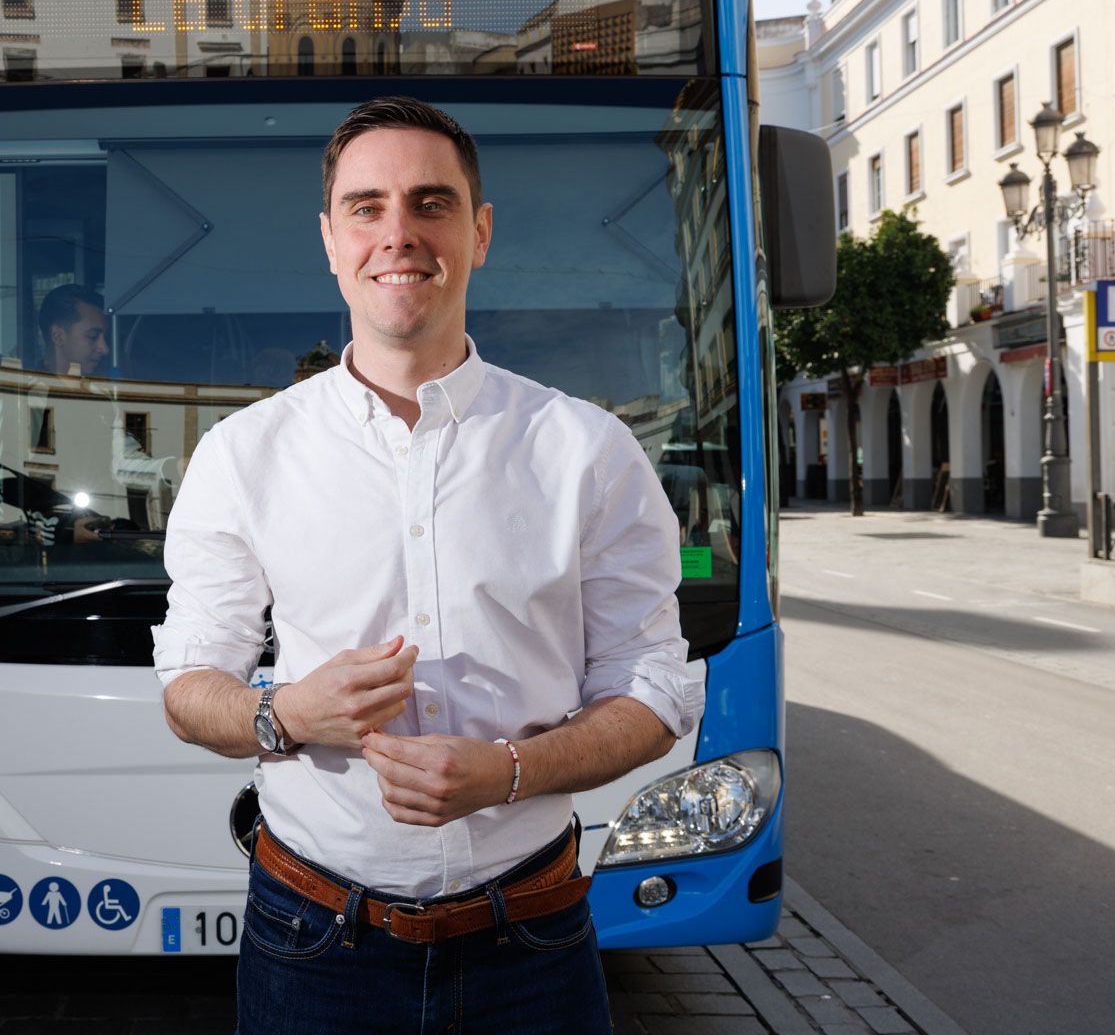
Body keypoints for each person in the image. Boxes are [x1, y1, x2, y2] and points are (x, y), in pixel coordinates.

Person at [153, 97, 703, 1034]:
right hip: (312, 944)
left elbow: (652, 692)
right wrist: (287, 714)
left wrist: (512, 770)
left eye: (431, 203)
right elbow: (187, 686)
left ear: (479, 233)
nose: (398, 233)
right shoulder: (243, 455)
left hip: (532, 941)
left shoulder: (587, 449)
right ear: (331, 241)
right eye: (366, 207)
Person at [37, 284, 108, 376]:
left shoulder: (99, 381)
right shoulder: (26, 384)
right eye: (93, 336)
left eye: (106, 337)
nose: (105, 349)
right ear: (58, 336)